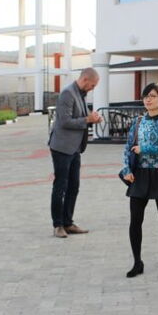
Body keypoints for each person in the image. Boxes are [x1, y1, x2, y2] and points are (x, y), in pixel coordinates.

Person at [121, 83, 158, 278]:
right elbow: (128, 147)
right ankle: (137, 262)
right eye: (146, 96)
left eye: (153, 96)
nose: (148, 99)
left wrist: (145, 149)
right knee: (135, 221)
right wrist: (126, 169)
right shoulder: (138, 122)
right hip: (140, 174)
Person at [48, 68, 102, 238]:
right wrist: (88, 119)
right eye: (92, 85)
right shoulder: (67, 94)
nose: (92, 88)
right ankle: (58, 225)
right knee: (61, 186)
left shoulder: (80, 94)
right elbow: (64, 121)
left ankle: (68, 223)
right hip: (62, 147)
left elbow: (80, 116)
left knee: (74, 186)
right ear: (85, 79)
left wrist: (93, 118)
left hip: (75, 148)